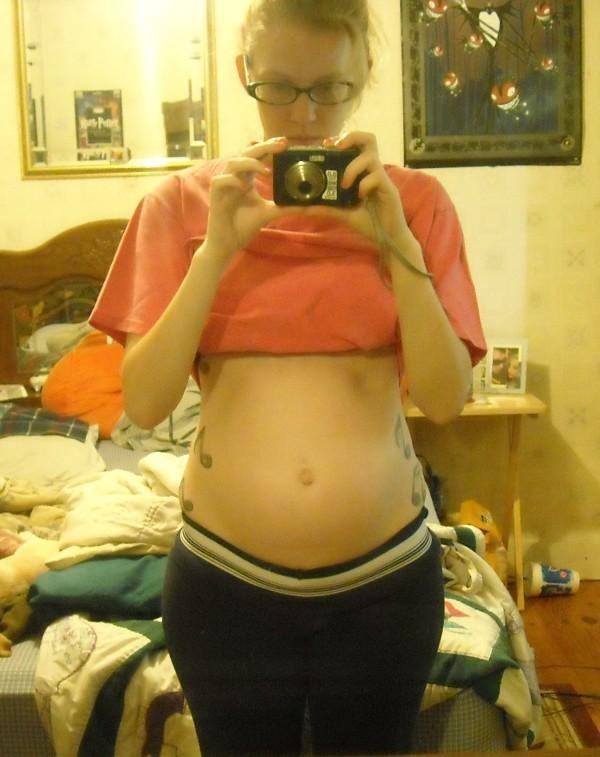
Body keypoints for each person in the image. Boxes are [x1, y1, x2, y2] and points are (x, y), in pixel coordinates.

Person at [91, 1, 486, 753]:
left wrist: (396, 246)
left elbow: (445, 399)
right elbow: (144, 400)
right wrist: (215, 251)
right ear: (244, 72)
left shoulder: (415, 205)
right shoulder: (181, 206)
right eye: (278, 87)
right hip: (224, 584)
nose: (304, 117)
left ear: (365, 72)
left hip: (386, 584)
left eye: (330, 89)